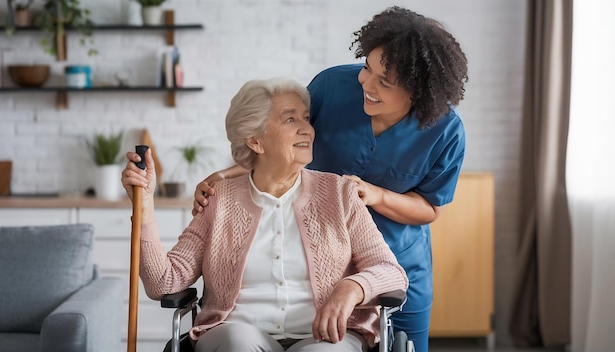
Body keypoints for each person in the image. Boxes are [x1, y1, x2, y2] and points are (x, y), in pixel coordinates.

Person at [192, 7, 468, 352]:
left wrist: (377, 196)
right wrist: (224, 176)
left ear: (417, 92)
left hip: (395, 260)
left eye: (384, 81)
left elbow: (430, 207)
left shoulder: (446, 131)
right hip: (320, 259)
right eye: (368, 67)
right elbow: (283, 145)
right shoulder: (332, 87)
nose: (365, 82)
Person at [121, 77, 407, 352]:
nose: (307, 129)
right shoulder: (219, 201)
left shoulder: (340, 194)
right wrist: (144, 205)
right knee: (237, 343)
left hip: (326, 337)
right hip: (236, 333)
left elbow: (391, 272)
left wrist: (351, 288)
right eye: (290, 119)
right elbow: (163, 283)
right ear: (256, 141)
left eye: (306, 118)